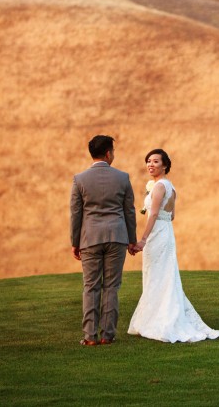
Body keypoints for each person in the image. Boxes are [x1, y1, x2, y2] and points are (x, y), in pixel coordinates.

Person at [128, 148, 219, 342]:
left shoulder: (158, 187)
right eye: (148, 161)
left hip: (157, 234)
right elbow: (171, 215)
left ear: (165, 165)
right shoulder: (171, 187)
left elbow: (155, 214)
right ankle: (157, 315)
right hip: (166, 233)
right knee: (163, 274)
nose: (150, 164)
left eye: (156, 161)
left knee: (157, 275)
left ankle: (158, 320)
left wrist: (143, 239)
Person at [70, 135, 139, 346]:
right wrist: (131, 240)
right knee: (111, 286)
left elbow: (76, 213)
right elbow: (129, 211)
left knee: (91, 286)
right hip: (117, 237)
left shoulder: (79, 179)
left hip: (89, 238)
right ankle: (107, 335)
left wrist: (75, 242)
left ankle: (89, 336)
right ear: (108, 153)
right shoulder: (123, 177)